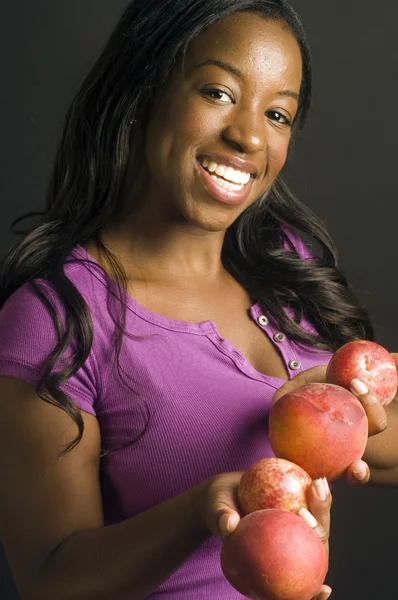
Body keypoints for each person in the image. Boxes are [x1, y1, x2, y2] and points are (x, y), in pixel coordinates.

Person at [0, 1, 394, 599]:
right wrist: (199, 510)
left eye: (280, 114)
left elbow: (376, 448)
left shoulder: (287, 266)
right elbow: (49, 580)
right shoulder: (58, 318)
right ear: (143, 91)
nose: (250, 135)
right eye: (217, 92)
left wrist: (347, 413)